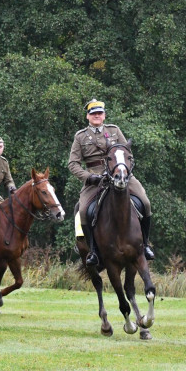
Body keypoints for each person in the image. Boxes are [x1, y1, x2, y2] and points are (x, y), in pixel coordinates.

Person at [68, 99, 154, 266]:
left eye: (99, 113)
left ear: (104, 115)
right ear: (88, 116)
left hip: (119, 174)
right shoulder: (80, 136)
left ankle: (145, 245)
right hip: (95, 179)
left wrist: (124, 170)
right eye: (93, 114)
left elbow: (128, 153)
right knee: (84, 211)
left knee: (145, 202)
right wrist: (88, 177)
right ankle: (93, 251)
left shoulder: (114, 130)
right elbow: (73, 164)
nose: (97, 116)